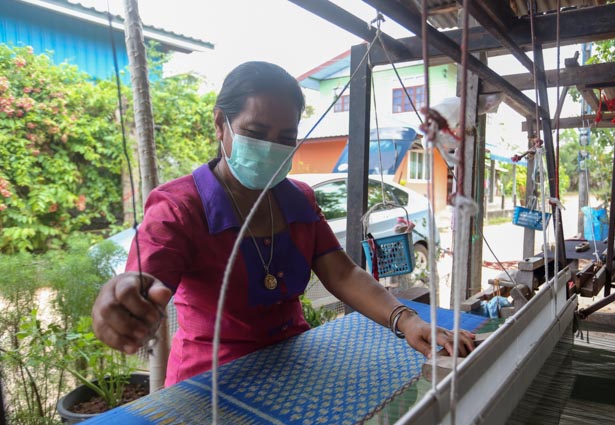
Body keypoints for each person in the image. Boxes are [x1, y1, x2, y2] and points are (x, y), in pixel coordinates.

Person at [91, 61, 474, 386]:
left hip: (295, 366)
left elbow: (342, 273)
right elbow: (143, 280)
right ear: (220, 123)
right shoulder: (179, 207)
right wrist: (122, 298)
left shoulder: (299, 200)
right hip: (210, 383)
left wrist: (406, 321)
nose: (271, 147)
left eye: (286, 137)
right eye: (256, 133)